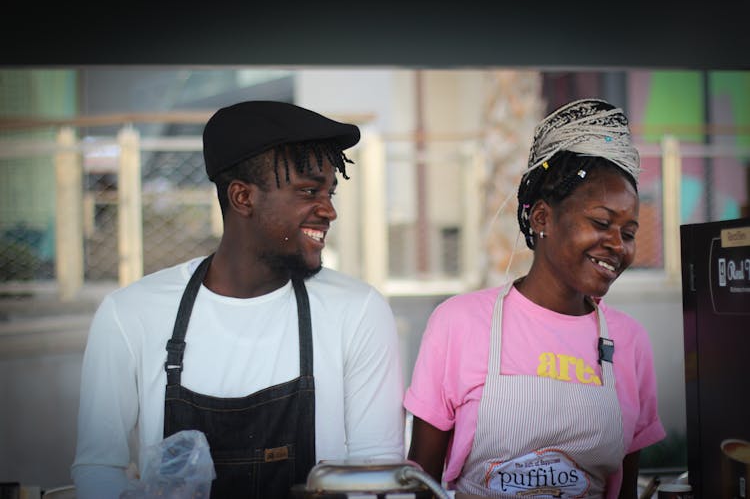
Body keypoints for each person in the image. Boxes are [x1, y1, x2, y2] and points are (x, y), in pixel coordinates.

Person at [72, 100, 405, 499]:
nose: (329, 210)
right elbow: (97, 469)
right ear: (243, 197)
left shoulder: (358, 312)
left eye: (329, 192)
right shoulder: (131, 315)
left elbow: (378, 476)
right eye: (309, 191)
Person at [404, 98, 666, 498]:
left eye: (628, 233)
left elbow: (624, 491)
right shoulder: (458, 323)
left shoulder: (630, 341)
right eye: (601, 223)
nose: (617, 245)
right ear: (542, 218)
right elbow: (421, 484)